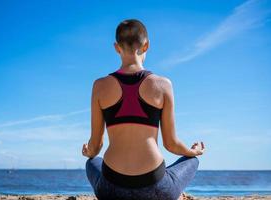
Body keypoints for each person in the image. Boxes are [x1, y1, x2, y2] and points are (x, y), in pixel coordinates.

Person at [82, 19, 205, 200]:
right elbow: (171, 144)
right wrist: (193, 151)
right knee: (192, 161)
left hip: (111, 189)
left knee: (92, 162)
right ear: (146, 46)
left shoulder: (99, 86)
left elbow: (96, 146)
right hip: (156, 189)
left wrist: (89, 152)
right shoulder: (163, 85)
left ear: (117, 47)